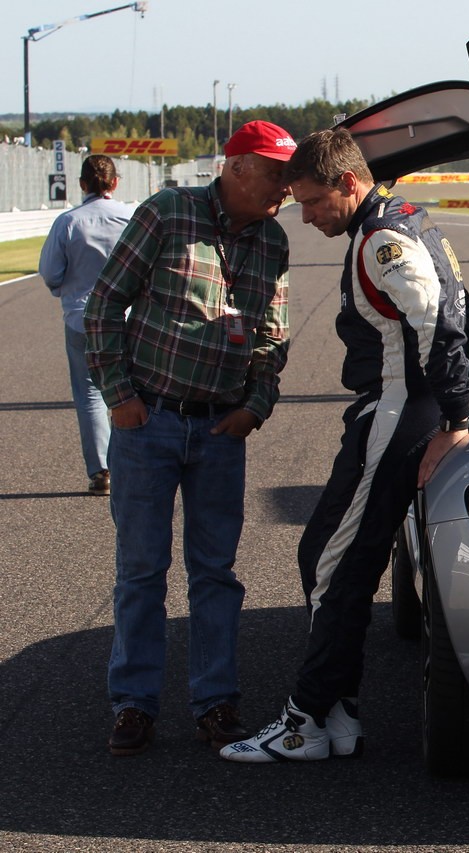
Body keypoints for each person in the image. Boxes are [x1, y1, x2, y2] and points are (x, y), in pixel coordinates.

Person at [222, 127, 469, 763]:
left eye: (311, 202)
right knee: (323, 554)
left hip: (401, 409)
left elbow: (444, 325)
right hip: (392, 407)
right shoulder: (402, 220)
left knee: (336, 566)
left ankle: (306, 720)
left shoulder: (385, 237)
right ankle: (338, 713)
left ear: (348, 183)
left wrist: (452, 419)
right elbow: (466, 317)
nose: (305, 217)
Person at [83, 120, 295, 756]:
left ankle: (215, 703)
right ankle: (134, 705)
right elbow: (102, 306)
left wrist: (254, 406)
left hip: (220, 430)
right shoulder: (167, 213)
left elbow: (271, 336)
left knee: (215, 573)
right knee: (142, 570)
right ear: (235, 168)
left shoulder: (273, 240)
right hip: (148, 421)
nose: (286, 187)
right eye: (276, 173)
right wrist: (119, 396)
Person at [38, 155, 133, 496]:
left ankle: (102, 471)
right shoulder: (131, 217)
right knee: (134, 390)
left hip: (82, 318)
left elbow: (50, 272)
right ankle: (137, 463)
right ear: (115, 182)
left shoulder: (68, 222)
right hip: (129, 317)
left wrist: (65, 288)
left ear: (82, 184)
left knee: (90, 396)